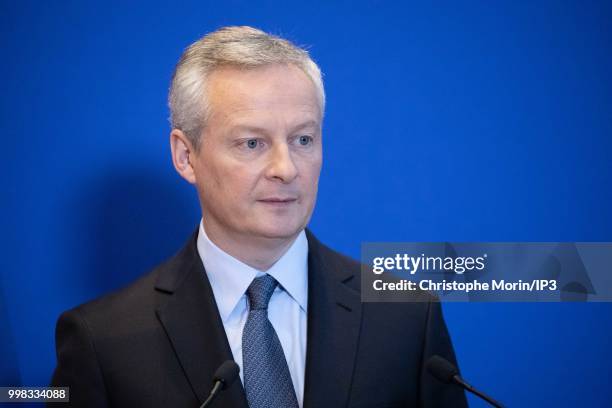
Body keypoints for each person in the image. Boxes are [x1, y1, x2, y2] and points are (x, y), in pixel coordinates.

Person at [50, 26, 467, 407]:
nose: (286, 168)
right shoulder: (102, 340)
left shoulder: (407, 315)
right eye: (252, 143)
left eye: (303, 139)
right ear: (186, 156)